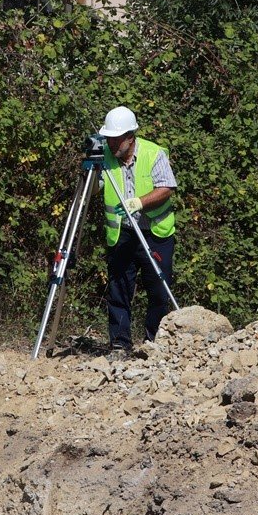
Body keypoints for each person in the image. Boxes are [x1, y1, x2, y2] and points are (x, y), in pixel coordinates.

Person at [98, 105, 177, 351]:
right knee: (119, 289)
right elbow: (93, 190)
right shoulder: (104, 157)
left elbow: (166, 188)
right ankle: (120, 343)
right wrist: (88, 169)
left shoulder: (154, 154)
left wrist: (139, 202)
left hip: (155, 233)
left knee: (158, 291)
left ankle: (153, 342)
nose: (111, 143)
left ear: (130, 137)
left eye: (115, 138)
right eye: (108, 138)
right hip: (122, 233)